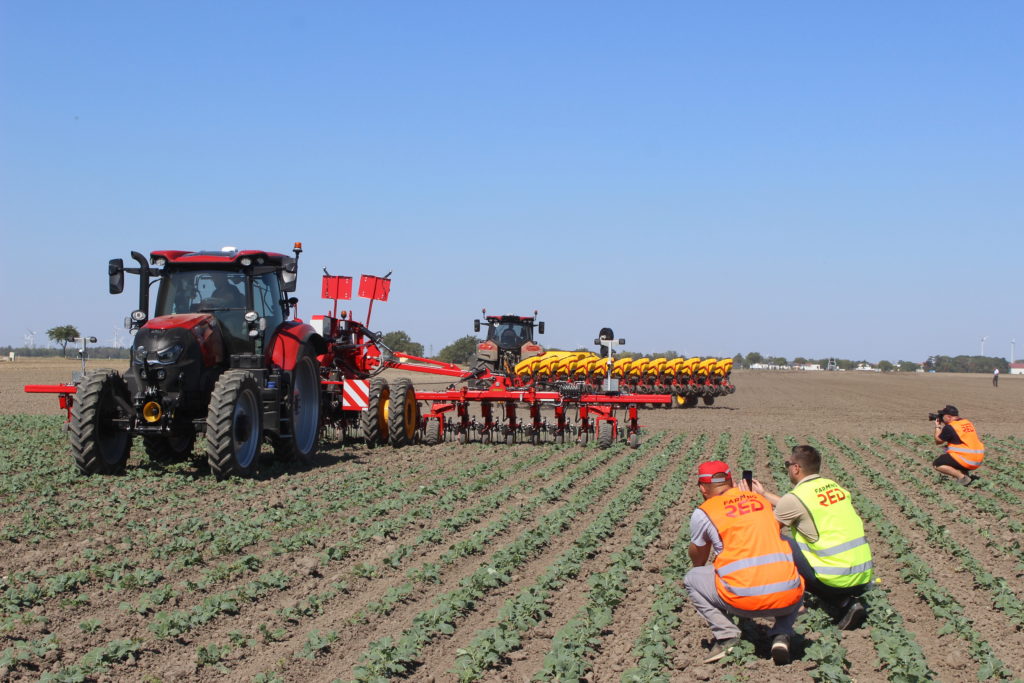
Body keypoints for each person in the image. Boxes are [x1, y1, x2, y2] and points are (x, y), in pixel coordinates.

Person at [740, 445, 873, 631]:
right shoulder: (833, 487)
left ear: (796, 468)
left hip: (836, 579)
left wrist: (747, 501)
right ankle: (844, 602)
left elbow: (764, 530)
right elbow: (797, 507)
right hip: (863, 577)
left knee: (777, 542)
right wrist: (762, 495)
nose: (787, 468)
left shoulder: (796, 498)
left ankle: (794, 605)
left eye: (788, 464)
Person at [684, 461, 804, 665]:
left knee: (692, 578)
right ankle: (782, 634)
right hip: (787, 599)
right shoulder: (761, 500)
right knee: (793, 570)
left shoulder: (705, 511)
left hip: (742, 600)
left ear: (702, 488)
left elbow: (699, 557)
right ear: (731, 481)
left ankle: (727, 636)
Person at [932, 404, 984, 486]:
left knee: (937, 464)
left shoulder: (950, 427)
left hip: (967, 459)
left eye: (942, 415)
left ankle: (962, 478)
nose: (941, 418)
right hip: (978, 459)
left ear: (949, 417)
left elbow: (938, 441)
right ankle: (965, 475)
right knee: (952, 456)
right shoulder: (967, 422)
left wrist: (938, 426)